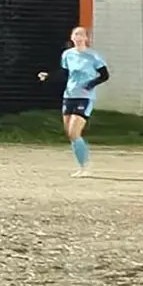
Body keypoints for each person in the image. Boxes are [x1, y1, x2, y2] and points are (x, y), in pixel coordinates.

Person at [38, 26, 110, 177]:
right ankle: (82, 164)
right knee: (70, 134)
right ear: (72, 37)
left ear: (86, 38)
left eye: (81, 34)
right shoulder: (67, 55)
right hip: (69, 95)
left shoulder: (93, 56)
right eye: (75, 34)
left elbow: (104, 75)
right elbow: (64, 74)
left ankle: (86, 166)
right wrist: (49, 76)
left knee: (74, 131)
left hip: (84, 97)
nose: (78, 37)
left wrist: (89, 85)